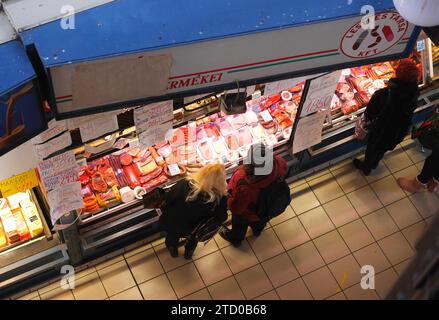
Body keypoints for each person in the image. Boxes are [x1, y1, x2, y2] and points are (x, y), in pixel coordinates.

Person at [353, 59, 420, 175]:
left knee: (373, 148)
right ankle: (375, 162)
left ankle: (366, 167)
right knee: (382, 149)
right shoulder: (414, 91)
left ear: (397, 74)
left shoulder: (384, 94)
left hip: (381, 130)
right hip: (399, 130)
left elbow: (370, 113)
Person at [219, 143, 288, 247]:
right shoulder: (279, 162)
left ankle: (236, 240)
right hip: (267, 209)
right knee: (260, 223)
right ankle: (257, 231)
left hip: (248, 213)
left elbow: (236, 208)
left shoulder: (244, 181)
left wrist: (229, 198)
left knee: (240, 227)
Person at [159, 163, 228, 259]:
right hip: (195, 228)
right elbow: (222, 217)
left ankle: (172, 249)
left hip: (174, 222)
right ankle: (188, 254)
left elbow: (168, 198)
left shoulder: (184, 183)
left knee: (172, 236)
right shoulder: (220, 197)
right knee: (192, 241)